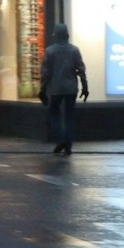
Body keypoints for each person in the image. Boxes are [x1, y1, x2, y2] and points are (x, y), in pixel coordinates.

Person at [38, 26, 89, 155]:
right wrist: (85, 87)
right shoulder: (74, 50)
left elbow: (46, 73)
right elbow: (81, 70)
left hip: (55, 89)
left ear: (56, 36)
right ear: (67, 35)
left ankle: (60, 139)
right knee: (69, 117)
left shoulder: (49, 51)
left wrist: (42, 89)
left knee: (54, 114)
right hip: (71, 88)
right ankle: (68, 145)